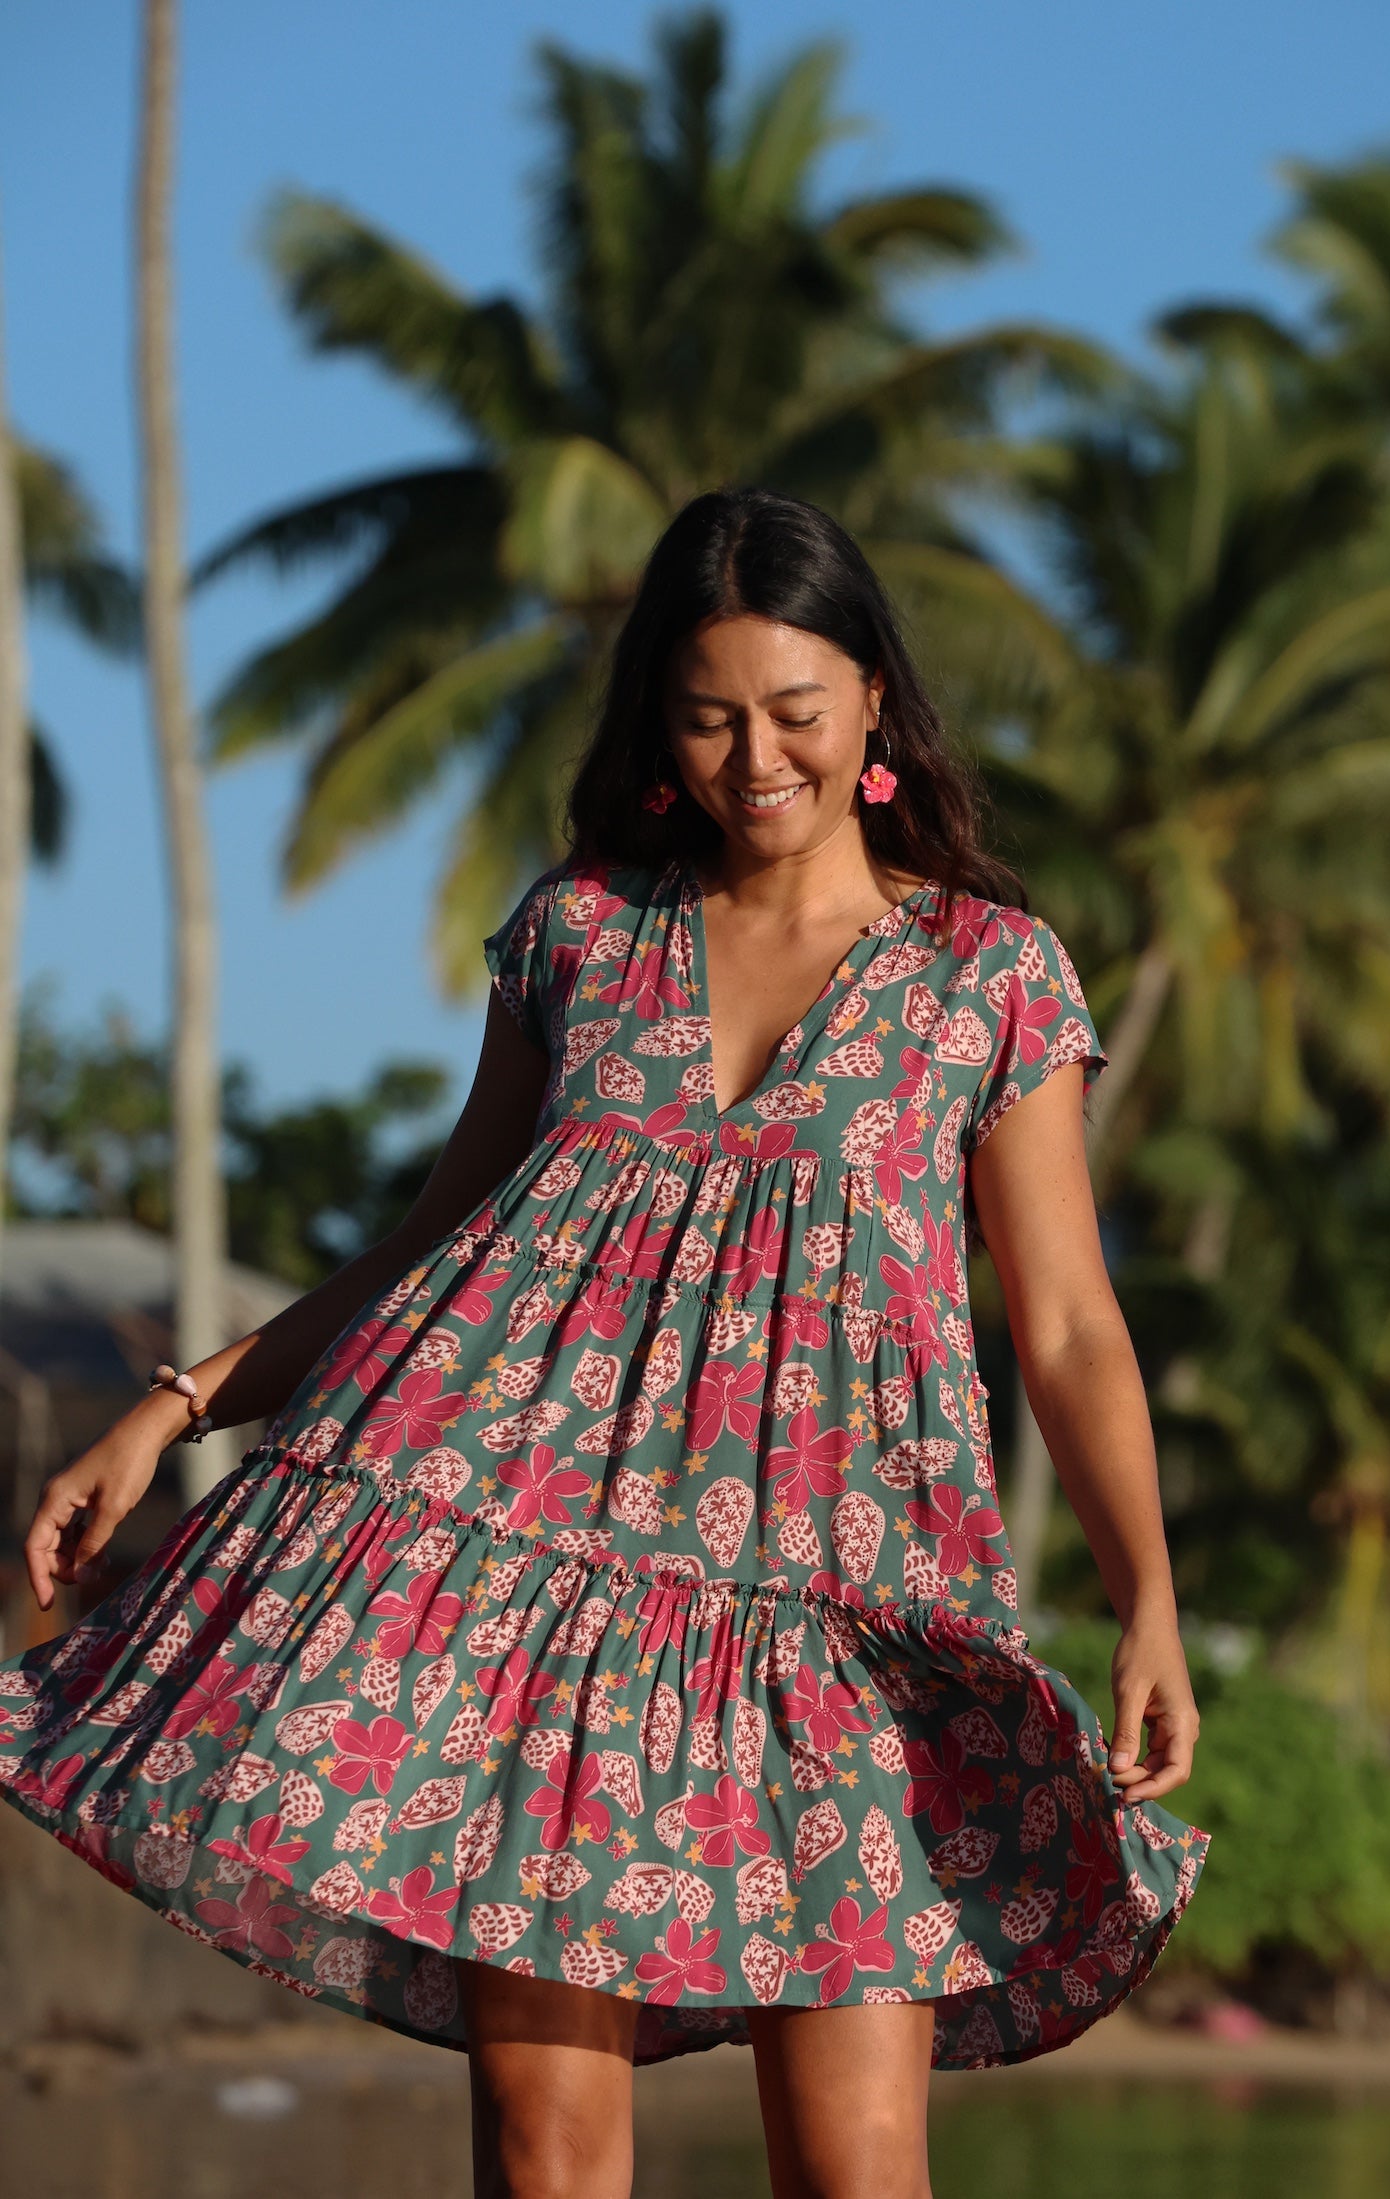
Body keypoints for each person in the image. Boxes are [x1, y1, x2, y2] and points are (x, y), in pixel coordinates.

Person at [1, 487, 1209, 2199]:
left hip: (848, 1626)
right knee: (545, 2146)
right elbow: (432, 1246)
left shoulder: (982, 977)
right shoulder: (581, 934)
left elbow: (1073, 1326)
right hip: (543, 1619)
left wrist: (1144, 1593)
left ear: (875, 701)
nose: (754, 759)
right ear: (660, 718)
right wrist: (180, 1404)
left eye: (794, 712)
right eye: (709, 717)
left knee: (857, 2162)